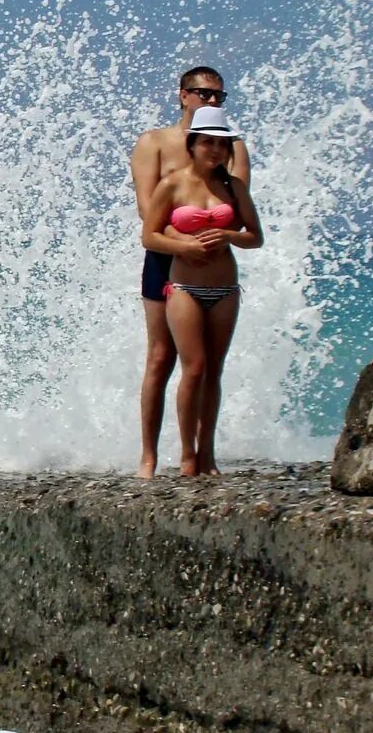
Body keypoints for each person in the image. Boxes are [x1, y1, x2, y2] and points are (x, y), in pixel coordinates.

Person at [128, 67, 250, 479]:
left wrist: (217, 237)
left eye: (218, 96)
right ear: (183, 95)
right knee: (161, 358)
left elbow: (236, 198)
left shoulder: (230, 146)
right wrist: (185, 243)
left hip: (214, 258)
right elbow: (148, 211)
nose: (211, 101)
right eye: (202, 93)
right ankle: (148, 456)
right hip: (165, 255)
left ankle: (200, 455)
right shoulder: (155, 142)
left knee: (204, 366)